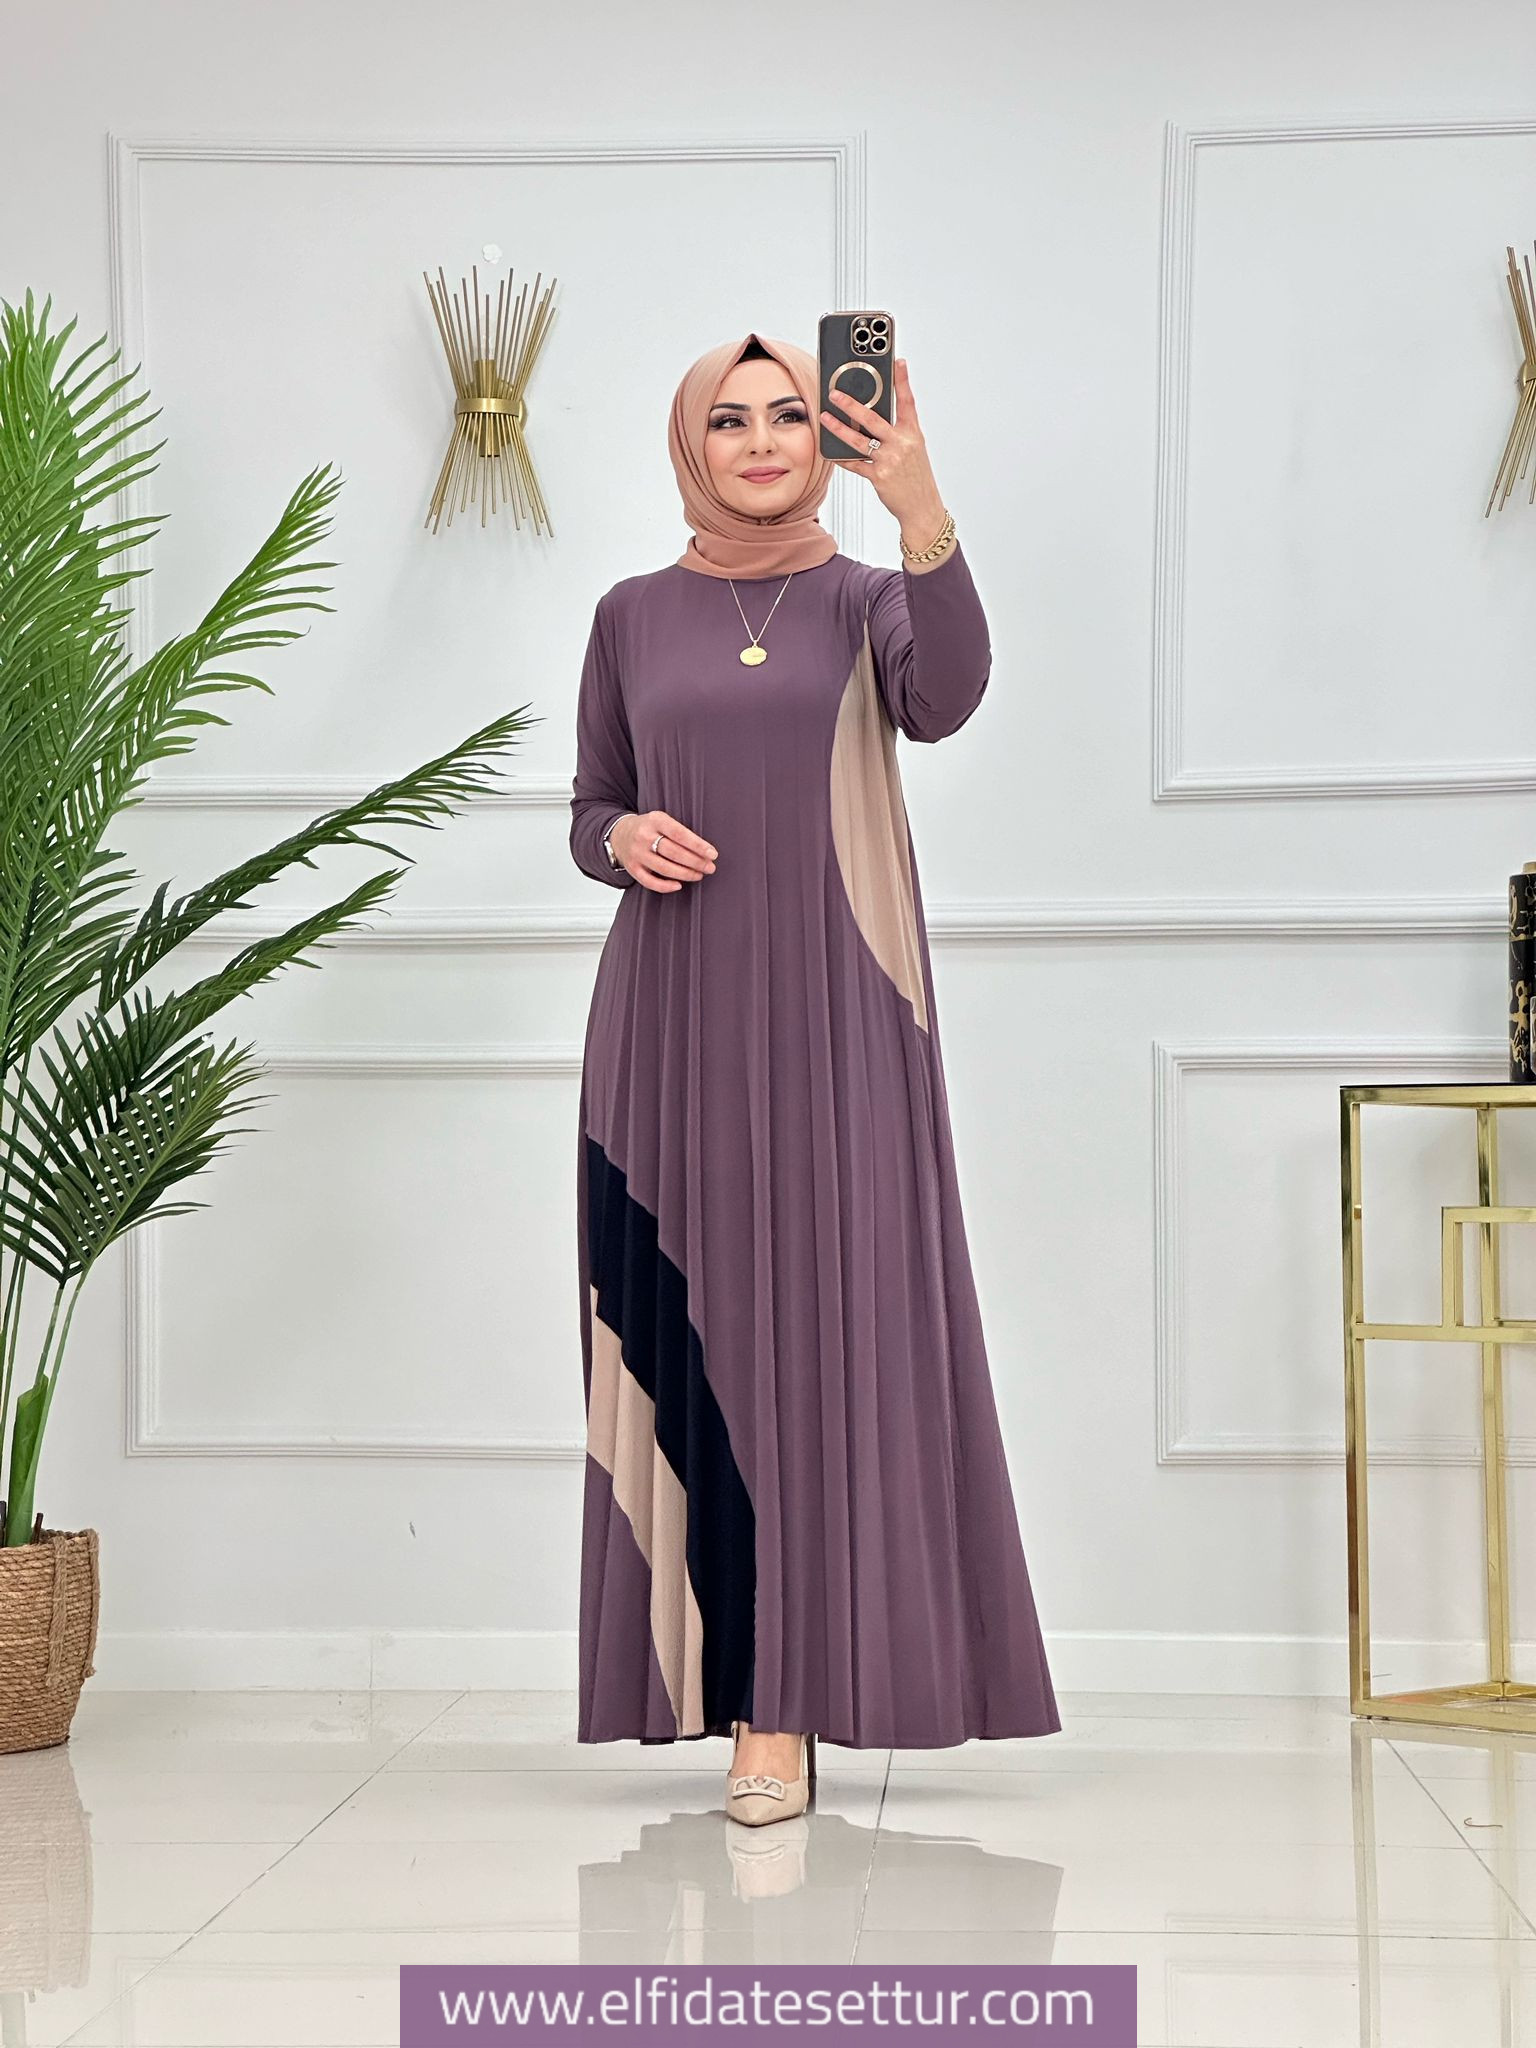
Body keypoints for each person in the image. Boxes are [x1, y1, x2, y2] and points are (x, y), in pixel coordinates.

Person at [569, 329, 1061, 1828]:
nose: (766, 439)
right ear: (691, 446)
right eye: (731, 420)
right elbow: (592, 802)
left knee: (838, 1331)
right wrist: (618, 841)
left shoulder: (865, 597)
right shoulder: (630, 614)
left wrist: (921, 508)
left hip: (848, 1010)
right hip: (672, 1022)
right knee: (708, 1334)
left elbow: (947, 697)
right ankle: (748, 1700)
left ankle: (814, 1692)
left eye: (791, 413)